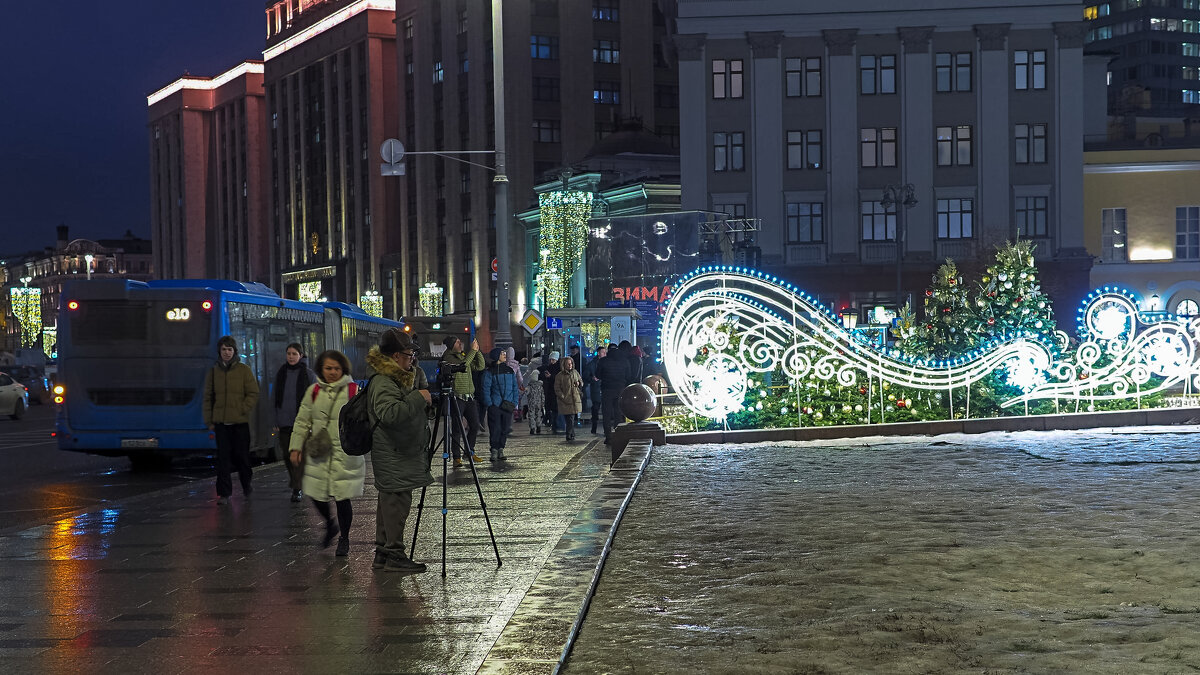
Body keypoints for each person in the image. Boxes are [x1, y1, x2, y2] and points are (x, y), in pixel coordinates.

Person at [366, 328, 433, 573]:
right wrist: (419, 398)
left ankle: (383, 554)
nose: (412, 359)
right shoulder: (383, 380)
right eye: (408, 355)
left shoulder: (394, 377)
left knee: (389, 502)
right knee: (396, 503)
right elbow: (390, 414)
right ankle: (394, 555)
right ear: (395, 356)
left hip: (397, 451)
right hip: (393, 453)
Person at [288, 350, 364, 556]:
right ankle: (331, 524)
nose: (332, 372)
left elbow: (362, 421)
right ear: (321, 369)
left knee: (342, 497)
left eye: (336, 368)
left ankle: (344, 539)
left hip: (344, 452)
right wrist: (295, 447)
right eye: (328, 368)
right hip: (320, 451)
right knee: (314, 492)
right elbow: (302, 421)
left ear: (343, 369)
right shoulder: (313, 391)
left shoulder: (352, 390)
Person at [203, 335, 260, 505]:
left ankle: (246, 484)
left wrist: (242, 409)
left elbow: (253, 393)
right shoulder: (214, 372)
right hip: (221, 423)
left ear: (234, 351)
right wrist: (209, 420)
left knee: (242, 458)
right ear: (219, 352)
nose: (226, 353)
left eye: (229, 349)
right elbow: (208, 397)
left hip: (240, 423)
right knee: (223, 459)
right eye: (223, 349)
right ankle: (224, 493)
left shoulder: (243, 370)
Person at [273, 343, 316, 502]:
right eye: (289, 353)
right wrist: (275, 418)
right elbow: (275, 397)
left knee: (298, 456)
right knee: (286, 454)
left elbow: (314, 399)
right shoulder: (281, 373)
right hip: (284, 421)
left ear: (301, 355)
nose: (291, 356)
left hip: (302, 423)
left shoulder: (308, 375)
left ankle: (297, 488)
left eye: (294, 354)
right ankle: (296, 481)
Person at [439, 335, 486, 466]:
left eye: (460, 342)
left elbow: (480, 366)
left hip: (469, 396)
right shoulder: (448, 357)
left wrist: (477, 351)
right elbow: (463, 366)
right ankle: (456, 457)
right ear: (451, 345)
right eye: (457, 342)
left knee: (475, 425)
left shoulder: (464, 355)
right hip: (457, 397)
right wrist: (473, 351)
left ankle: (469, 451)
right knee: (457, 428)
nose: (460, 344)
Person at [481, 348, 518, 461]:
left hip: (508, 405)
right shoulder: (489, 371)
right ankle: (494, 449)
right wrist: (490, 403)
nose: (504, 355)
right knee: (495, 428)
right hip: (495, 405)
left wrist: (514, 402)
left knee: (505, 428)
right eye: (502, 353)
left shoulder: (509, 370)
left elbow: (514, 387)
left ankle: (501, 448)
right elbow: (485, 388)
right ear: (497, 356)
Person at [597, 344, 631, 444]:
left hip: (606, 390)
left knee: (606, 414)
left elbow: (598, 374)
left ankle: (608, 437)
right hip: (620, 389)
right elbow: (628, 376)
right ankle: (618, 435)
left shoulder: (603, 361)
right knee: (618, 414)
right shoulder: (625, 361)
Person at [554, 356, 584, 442]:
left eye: (571, 363)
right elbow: (557, 388)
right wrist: (563, 396)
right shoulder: (560, 376)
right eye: (568, 364)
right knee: (569, 418)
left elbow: (581, 381)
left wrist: (579, 383)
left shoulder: (575, 372)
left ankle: (571, 433)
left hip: (574, 399)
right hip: (566, 400)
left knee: (572, 418)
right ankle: (569, 434)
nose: (570, 365)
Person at [584, 346, 606, 434]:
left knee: (604, 409)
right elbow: (586, 375)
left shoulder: (606, 362)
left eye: (605, 352)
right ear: (598, 353)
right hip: (596, 389)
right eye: (603, 352)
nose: (605, 354)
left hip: (603, 389)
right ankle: (594, 427)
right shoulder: (592, 364)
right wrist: (592, 379)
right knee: (595, 408)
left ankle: (604, 429)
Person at [540, 351, 561, 433]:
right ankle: (552, 423)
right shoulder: (549, 367)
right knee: (550, 408)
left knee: (555, 409)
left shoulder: (558, 367)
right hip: (549, 390)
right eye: (551, 359)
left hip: (554, 391)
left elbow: (559, 378)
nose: (551, 361)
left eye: (553, 359)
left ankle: (555, 425)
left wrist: (551, 376)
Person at [524, 357, 545, 434]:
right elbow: (542, 395)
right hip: (538, 403)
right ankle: (539, 426)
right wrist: (543, 402)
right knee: (538, 415)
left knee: (531, 415)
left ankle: (532, 428)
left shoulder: (529, 386)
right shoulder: (540, 386)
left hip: (531, 403)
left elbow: (526, 393)